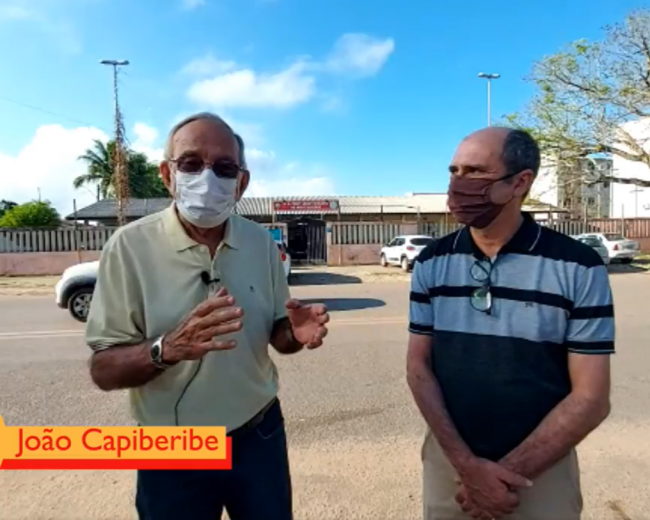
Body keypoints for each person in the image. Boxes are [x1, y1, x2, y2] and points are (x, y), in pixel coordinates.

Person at [85, 112, 330, 520]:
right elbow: (104, 370)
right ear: (167, 174)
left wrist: (294, 333)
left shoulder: (261, 244)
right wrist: (167, 349)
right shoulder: (128, 248)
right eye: (191, 164)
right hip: (171, 447)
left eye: (224, 168)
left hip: (258, 434)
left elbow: (278, 336)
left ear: (241, 183)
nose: (207, 178)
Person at [407, 127, 614, 520]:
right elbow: (418, 369)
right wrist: (466, 466)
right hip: (449, 465)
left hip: (540, 474)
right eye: (454, 171)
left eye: (475, 171)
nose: (458, 183)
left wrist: (504, 476)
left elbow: (591, 399)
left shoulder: (578, 267)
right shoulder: (431, 263)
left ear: (520, 183)